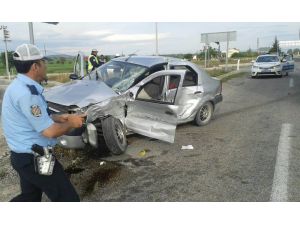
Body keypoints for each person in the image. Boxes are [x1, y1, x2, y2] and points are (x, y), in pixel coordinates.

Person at [1, 44, 86, 202]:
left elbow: (30, 118)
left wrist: (59, 117)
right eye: (43, 62)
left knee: (30, 197)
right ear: (35, 66)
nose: (45, 66)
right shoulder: (28, 94)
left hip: (22, 156)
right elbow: (49, 132)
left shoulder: (17, 87)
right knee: (68, 200)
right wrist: (72, 123)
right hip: (34, 159)